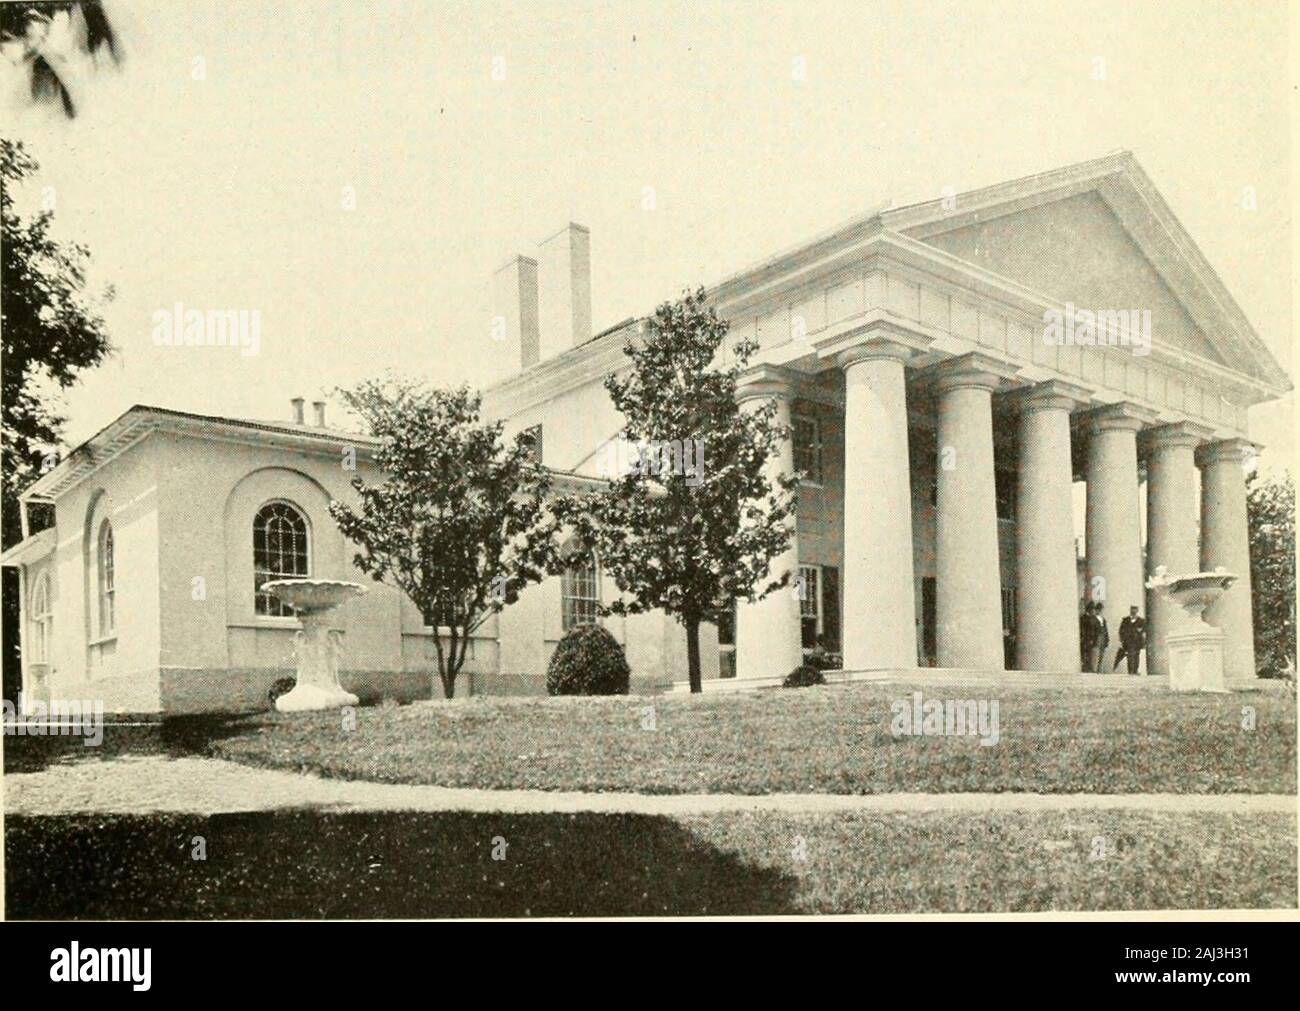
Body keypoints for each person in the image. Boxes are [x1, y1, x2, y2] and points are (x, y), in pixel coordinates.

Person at [1114, 605, 1146, 674]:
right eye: (1132, 609)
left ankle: (1135, 670)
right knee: (1130, 656)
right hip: (1128, 641)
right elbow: (1121, 630)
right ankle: (1131, 671)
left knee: (1136, 656)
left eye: (1135, 609)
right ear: (1130, 610)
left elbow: (1144, 630)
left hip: (1137, 641)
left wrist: (1141, 632)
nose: (1133, 611)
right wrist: (1122, 639)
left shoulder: (1141, 620)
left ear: (1137, 611)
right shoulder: (1125, 620)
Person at [1089, 603, 1109, 673]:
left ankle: (1099, 669)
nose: (1099, 611)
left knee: (1101, 654)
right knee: (1095, 653)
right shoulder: (1093, 619)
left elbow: (1106, 630)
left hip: (1103, 637)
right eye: (1098, 610)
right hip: (1096, 637)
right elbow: (1091, 630)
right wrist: (1091, 639)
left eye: (1101, 610)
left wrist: (1107, 640)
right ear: (1096, 610)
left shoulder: (1103, 620)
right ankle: (1094, 669)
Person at [1079, 602, 1095, 672]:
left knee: (1089, 653)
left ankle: (1088, 667)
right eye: (1092, 609)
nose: (1093, 611)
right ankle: (1086, 667)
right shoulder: (1083, 618)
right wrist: (1084, 638)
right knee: (1085, 654)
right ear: (1089, 609)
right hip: (1086, 639)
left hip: (1089, 639)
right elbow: (1083, 629)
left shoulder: (1091, 618)